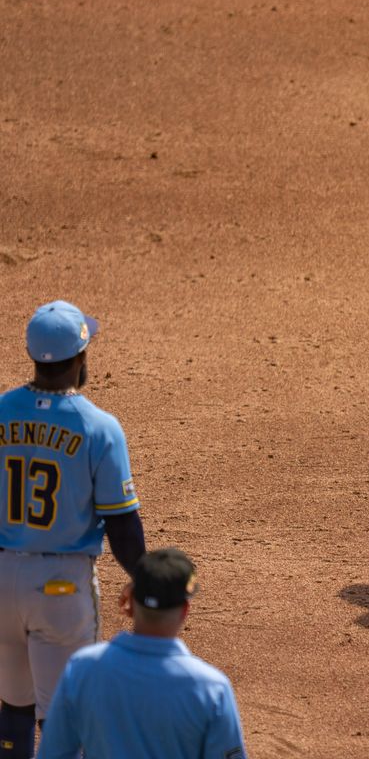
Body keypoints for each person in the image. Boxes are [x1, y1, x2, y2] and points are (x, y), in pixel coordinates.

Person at [0, 300, 146, 758]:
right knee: (66, 717)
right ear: (81, 359)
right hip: (61, 589)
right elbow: (121, 523)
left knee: (12, 708)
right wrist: (144, 577)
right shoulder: (99, 428)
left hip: (2, 582)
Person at [36, 547, 247, 758]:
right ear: (185, 609)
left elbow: (53, 753)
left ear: (130, 603)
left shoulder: (82, 669)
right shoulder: (211, 688)